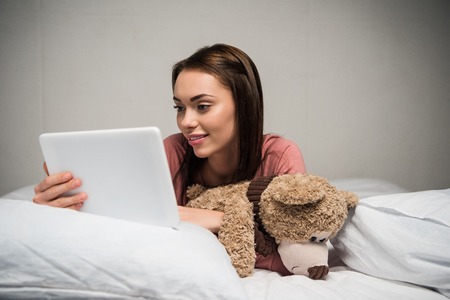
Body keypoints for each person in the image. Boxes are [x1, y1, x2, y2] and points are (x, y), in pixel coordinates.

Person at [33, 43, 306, 275]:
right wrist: (62, 207)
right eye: (179, 107)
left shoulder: (279, 157)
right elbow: (131, 223)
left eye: (202, 106)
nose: (186, 122)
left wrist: (218, 219)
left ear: (243, 104)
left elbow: (302, 258)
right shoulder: (174, 151)